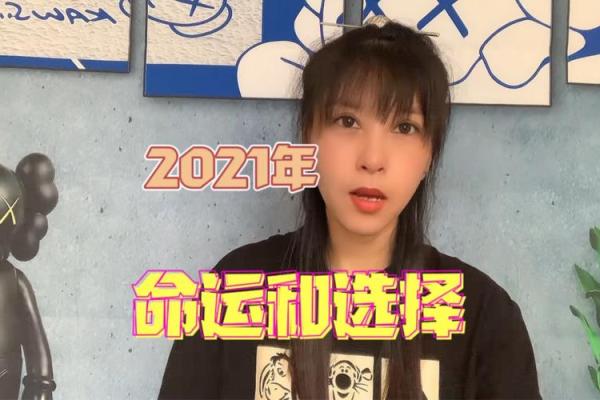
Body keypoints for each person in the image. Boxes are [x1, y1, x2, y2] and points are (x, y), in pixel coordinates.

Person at [158, 18, 541, 400]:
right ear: (308, 138)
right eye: (348, 121)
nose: (372, 159)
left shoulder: (483, 316)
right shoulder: (234, 289)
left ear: (430, 154)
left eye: (404, 127)